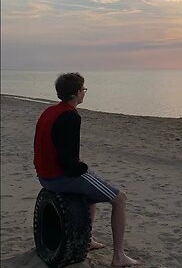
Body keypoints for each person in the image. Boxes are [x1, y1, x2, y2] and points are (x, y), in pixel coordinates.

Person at [33, 72, 140, 267]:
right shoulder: (70, 117)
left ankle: (86, 240)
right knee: (120, 198)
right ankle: (119, 256)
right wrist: (82, 169)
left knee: (90, 191)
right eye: (83, 89)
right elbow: (69, 160)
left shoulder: (49, 111)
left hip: (44, 175)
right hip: (58, 177)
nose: (84, 92)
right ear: (75, 94)